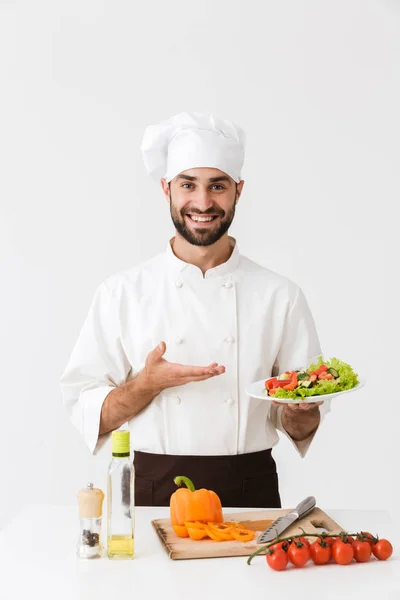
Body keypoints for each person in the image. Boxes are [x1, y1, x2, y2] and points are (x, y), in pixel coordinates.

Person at [60, 111, 331, 508]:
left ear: (238, 190)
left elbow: (301, 424)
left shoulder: (280, 296)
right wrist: (147, 384)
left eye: (217, 186)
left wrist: (303, 407)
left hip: (249, 490)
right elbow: (88, 414)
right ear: (166, 188)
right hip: (154, 489)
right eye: (188, 185)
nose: (203, 203)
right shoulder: (121, 293)